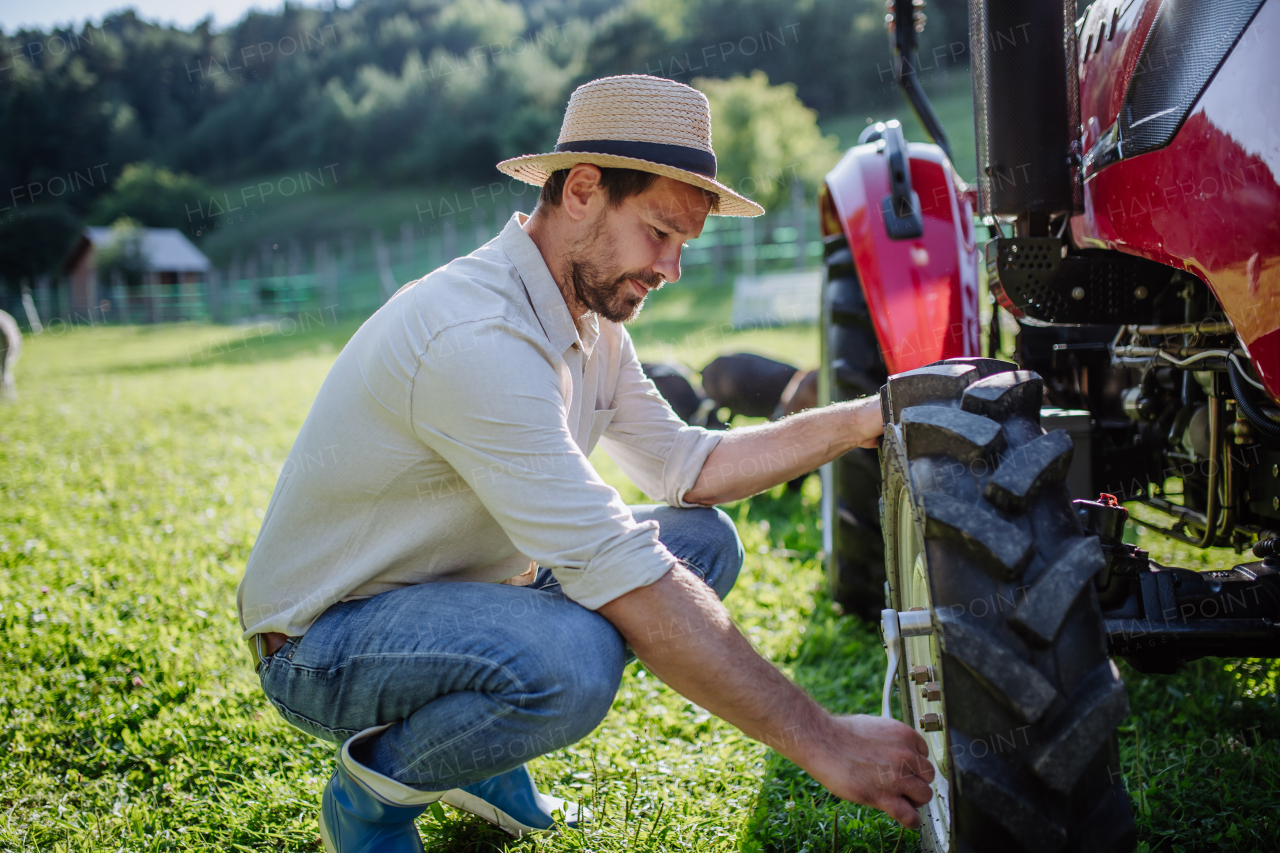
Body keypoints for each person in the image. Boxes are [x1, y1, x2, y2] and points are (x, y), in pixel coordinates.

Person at [237, 74, 933, 852]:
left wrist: (863, 418)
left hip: (458, 592)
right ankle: (371, 797)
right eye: (660, 233)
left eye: (683, 246)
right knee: (571, 663)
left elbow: (686, 465)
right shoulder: (477, 335)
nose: (672, 269)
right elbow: (615, 562)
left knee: (705, 544)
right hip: (322, 640)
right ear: (583, 190)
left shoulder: (593, 322)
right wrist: (825, 739)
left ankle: (478, 752)